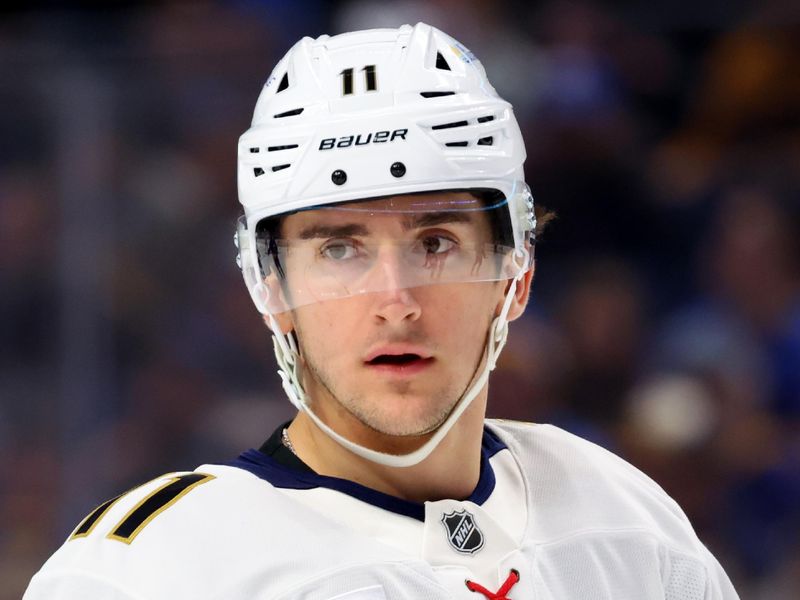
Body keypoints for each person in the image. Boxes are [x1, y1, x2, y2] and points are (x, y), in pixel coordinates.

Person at [25, 23, 738, 599]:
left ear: (516, 276)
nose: (394, 302)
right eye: (340, 249)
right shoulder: (150, 574)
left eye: (435, 242)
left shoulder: (623, 519)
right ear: (270, 288)